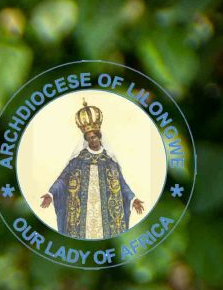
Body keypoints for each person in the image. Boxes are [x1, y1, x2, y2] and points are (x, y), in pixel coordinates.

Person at [40, 97, 145, 236]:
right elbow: (62, 179)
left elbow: (122, 184)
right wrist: (50, 194)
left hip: (106, 215)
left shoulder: (109, 161)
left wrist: (133, 199)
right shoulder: (78, 160)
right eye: (89, 138)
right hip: (81, 213)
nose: (93, 140)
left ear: (99, 137)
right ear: (86, 140)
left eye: (95, 137)